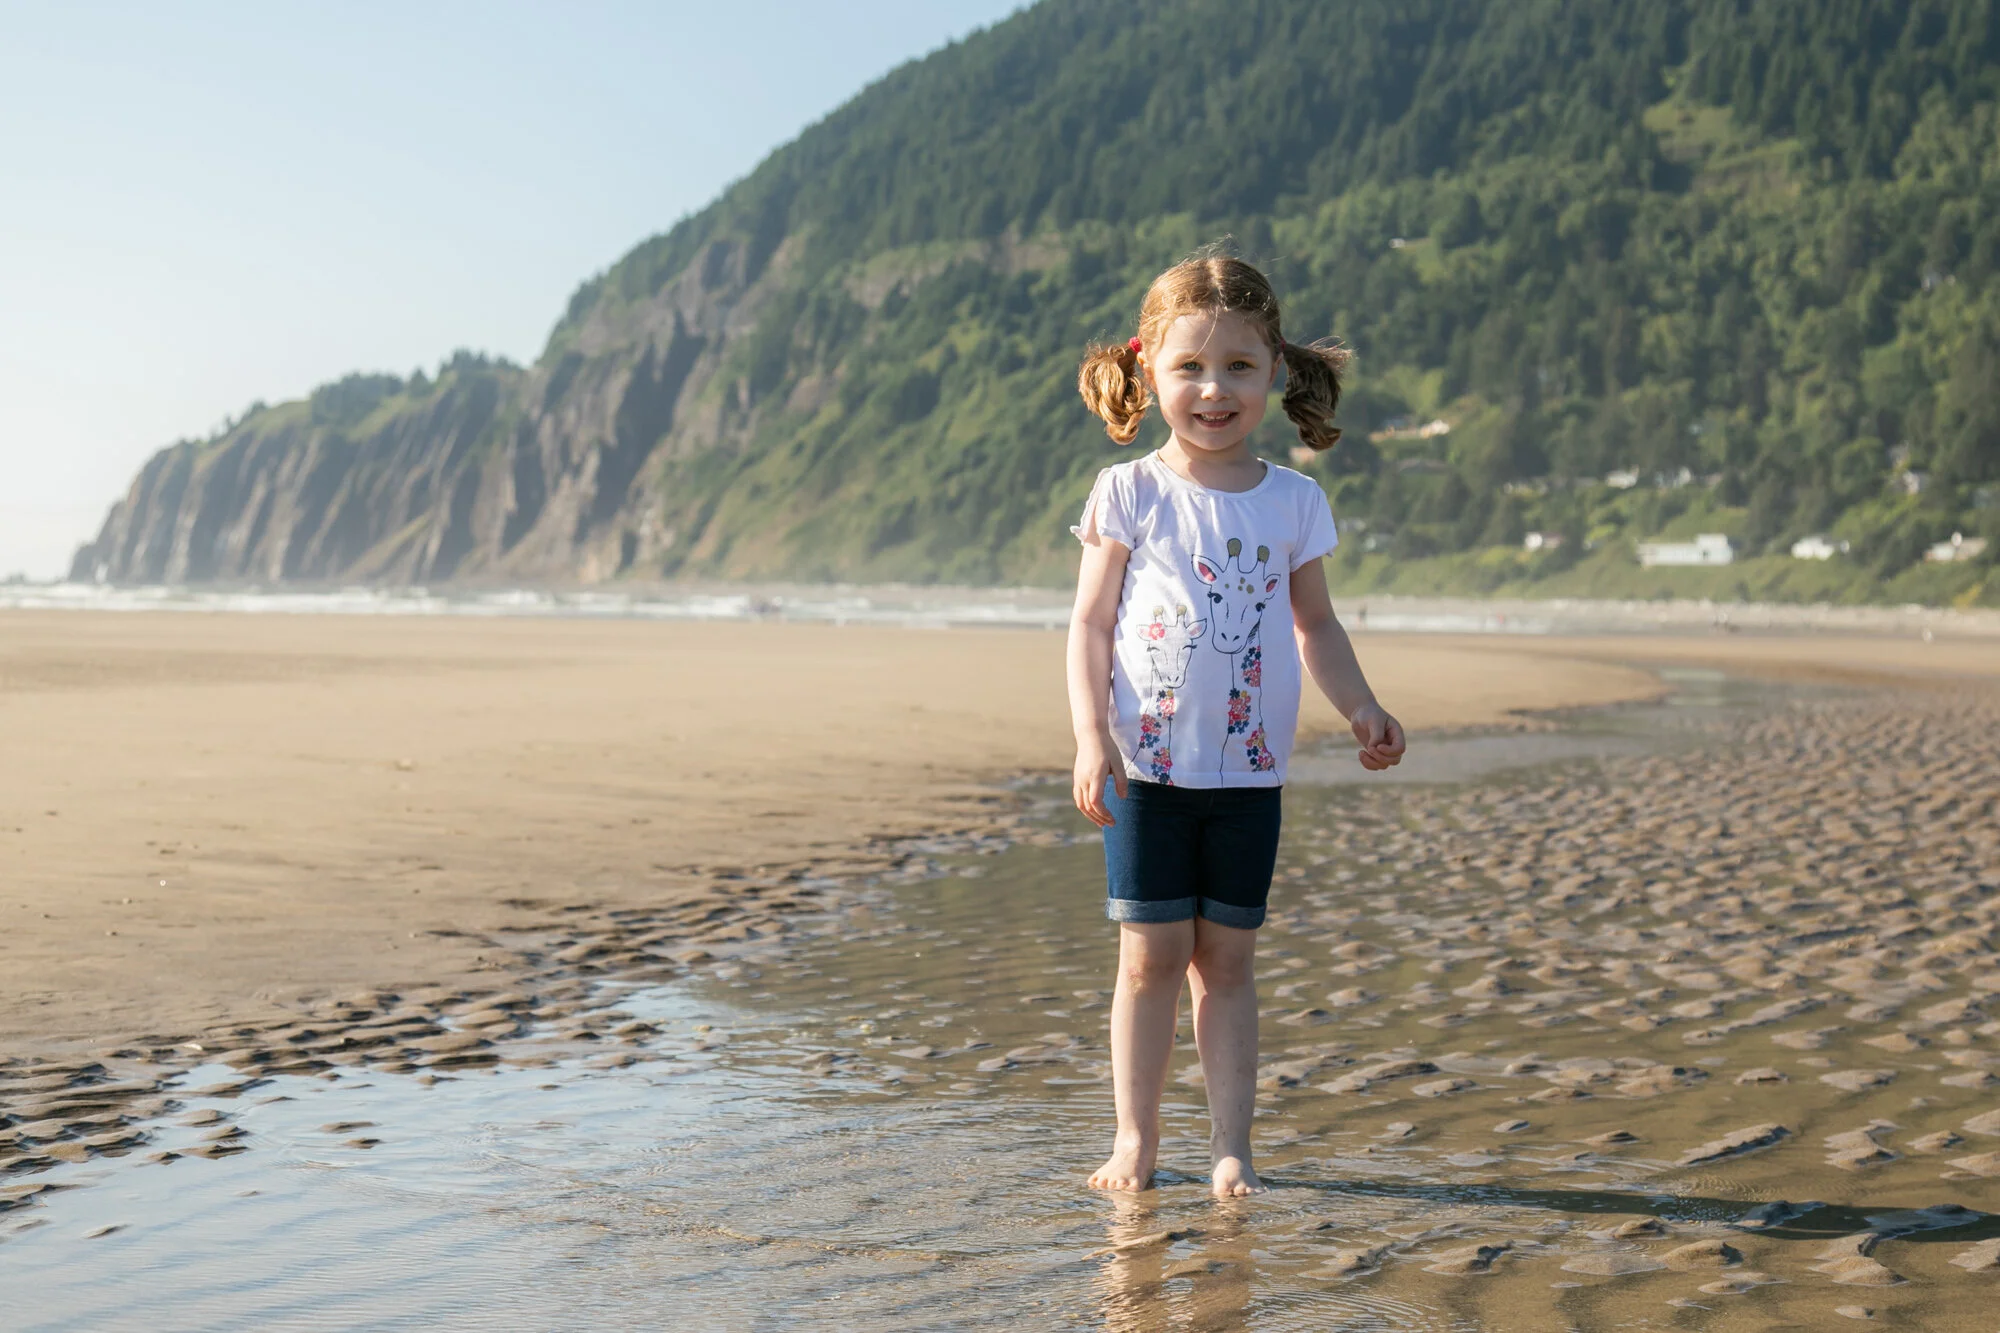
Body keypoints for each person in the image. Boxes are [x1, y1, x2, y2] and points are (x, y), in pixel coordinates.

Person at [1067, 252, 1406, 1197]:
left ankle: (1232, 1148)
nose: (1214, 390)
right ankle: (1135, 1139)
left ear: (1274, 372)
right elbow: (1090, 624)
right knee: (1149, 959)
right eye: (1191, 368)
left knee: (1228, 964)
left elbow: (1317, 626)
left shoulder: (1296, 501)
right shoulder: (1128, 491)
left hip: (1250, 780)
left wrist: (1362, 706)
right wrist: (1092, 738)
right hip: (1146, 774)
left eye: (1239, 368)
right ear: (1151, 374)